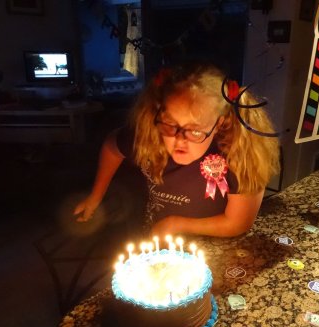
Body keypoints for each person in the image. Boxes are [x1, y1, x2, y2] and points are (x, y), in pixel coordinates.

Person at [74, 62, 280, 237]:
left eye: (195, 131)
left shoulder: (240, 153)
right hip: (159, 239)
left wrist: (175, 224)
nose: (179, 140)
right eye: (170, 125)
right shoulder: (150, 134)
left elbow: (237, 223)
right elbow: (113, 146)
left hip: (218, 244)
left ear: (219, 124)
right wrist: (95, 196)